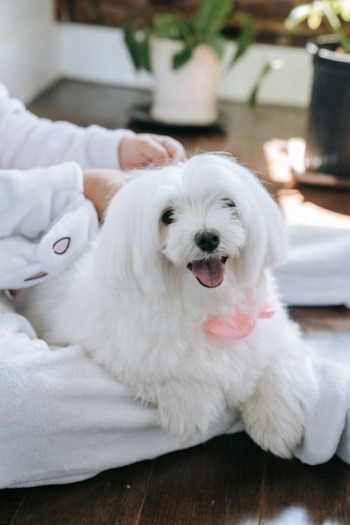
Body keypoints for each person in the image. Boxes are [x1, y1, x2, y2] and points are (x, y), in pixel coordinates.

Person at [1, 83, 350, 489]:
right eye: (169, 216)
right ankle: (295, 401)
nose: (203, 230)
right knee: (14, 401)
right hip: (22, 271)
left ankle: (241, 392)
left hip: (67, 218)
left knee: (255, 249)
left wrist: (114, 151)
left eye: (226, 205)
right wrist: (72, 184)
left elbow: (15, 133)